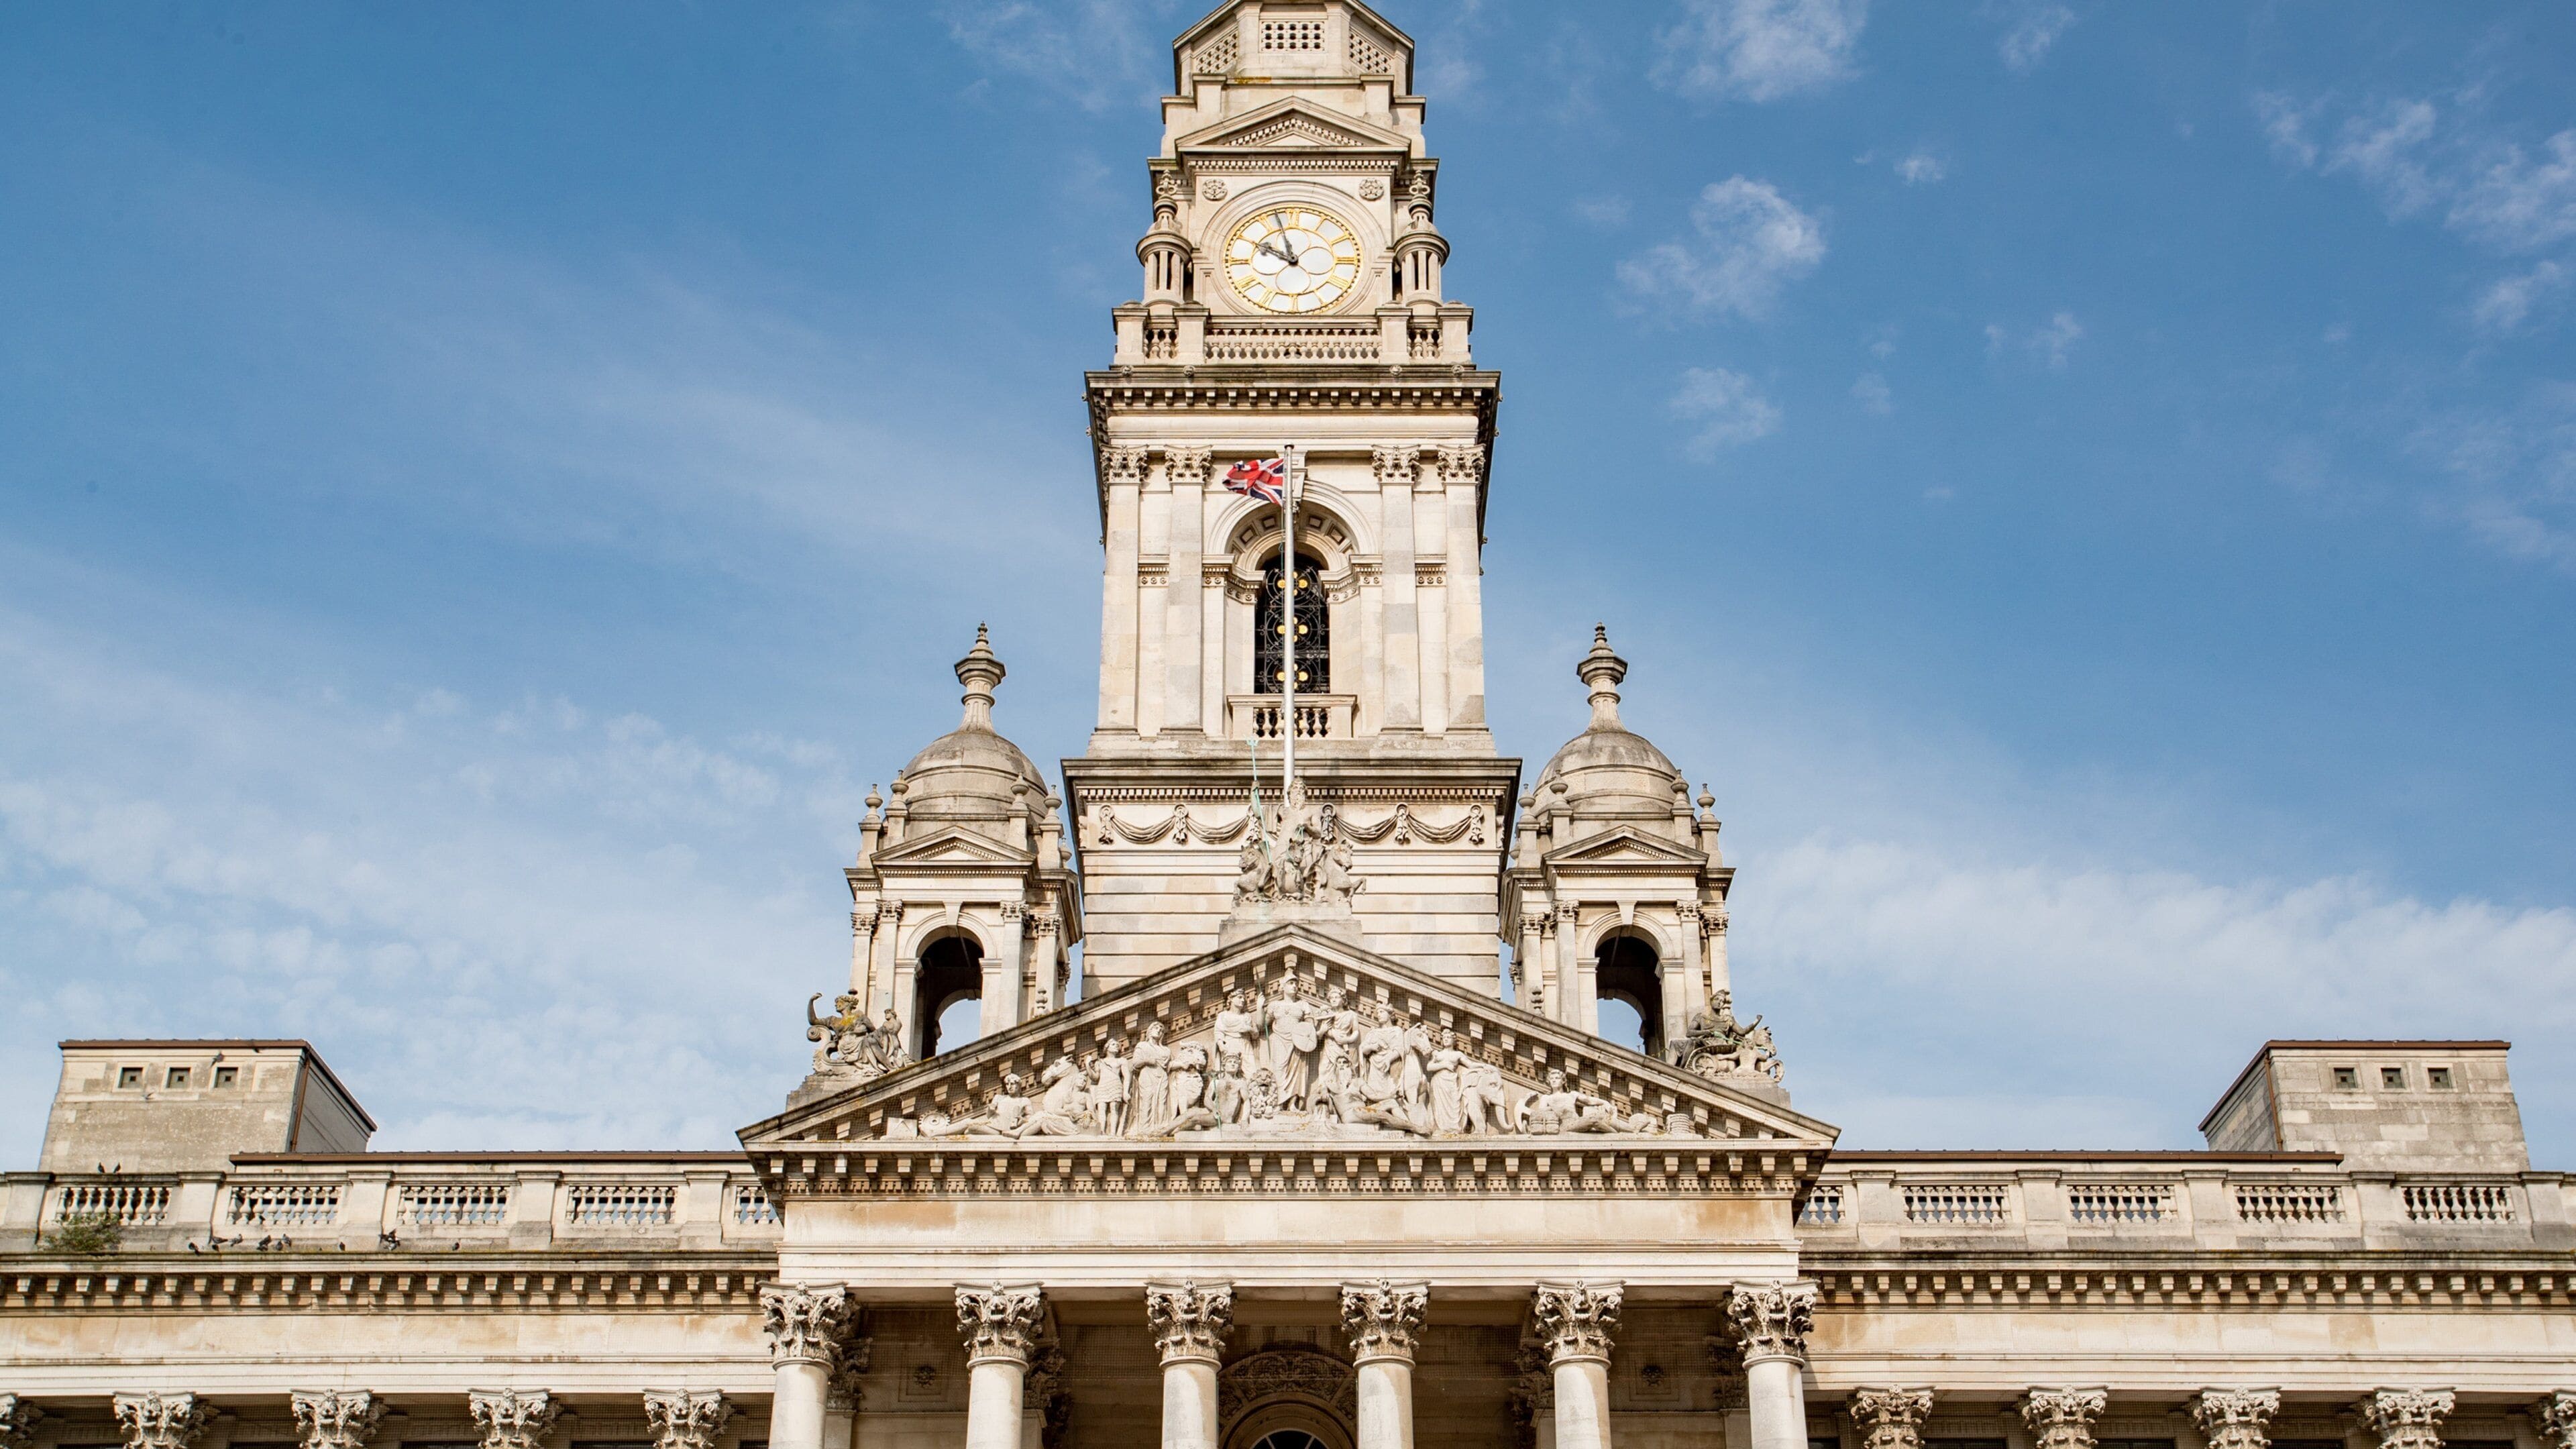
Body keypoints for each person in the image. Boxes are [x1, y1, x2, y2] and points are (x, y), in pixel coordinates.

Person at [1261, 975, 1320, 1113]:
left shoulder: (1303, 1005)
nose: (1295, 986)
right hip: (1279, 1042)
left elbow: (1310, 1027)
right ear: (1282, 986)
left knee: (1297, 1074)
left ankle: (1292, 1104)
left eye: (1296, 983)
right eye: (1291, 983)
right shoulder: (1275, 1005)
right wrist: (1259, 1007)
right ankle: (1278, 1104)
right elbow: (1262, 1025)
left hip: (1297, 1044)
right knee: (1278, 1071)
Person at [1130, 1022, 1173, 1134]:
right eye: (1156, 1027)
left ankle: (1161, 1127)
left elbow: (1169, 1066)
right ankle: (1145, 1128)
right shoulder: (1142, 1046)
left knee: (1162, 1101)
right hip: (1147, 1074)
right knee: (1147, 1099)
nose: (1158, 1030)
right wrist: (1147, 1061)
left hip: (1162, 1076)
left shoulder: (1165, 1050)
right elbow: (1135, 1064)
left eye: (1161, 1029)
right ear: (1149, 1031)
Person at [1424, 1027, 1469, 1135]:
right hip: (1439, 1083)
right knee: (1439, 1108)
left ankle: (1454, 1129)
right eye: (1444, 1037)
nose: (1446, 1039)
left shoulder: (1458, 1054)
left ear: (1454, 1041)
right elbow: (1429, 1067)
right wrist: (1444, 1065)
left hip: (1452, 1084)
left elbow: (1470, 1065)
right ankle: (1441, 1128)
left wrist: (1484, 1067)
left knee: (1454, 1106)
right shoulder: (1438, 1055)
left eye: (1448, 1037)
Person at [1093, 1037, 1134, 1138]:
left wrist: (1125, 1092)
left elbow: (1127, 1077)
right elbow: (1095, 1077)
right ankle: (1102, 1131)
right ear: (1107, 1047)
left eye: (1118, 1045)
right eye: (1113, 1045)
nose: (1117, 1047)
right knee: (1101, 1109)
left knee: (1114, 1109)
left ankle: (1113, 1133)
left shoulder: (1121, 1061)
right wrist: (1087, 1065)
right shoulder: (1100, 1062)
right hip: (1102, 1086)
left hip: (1115, 1085)